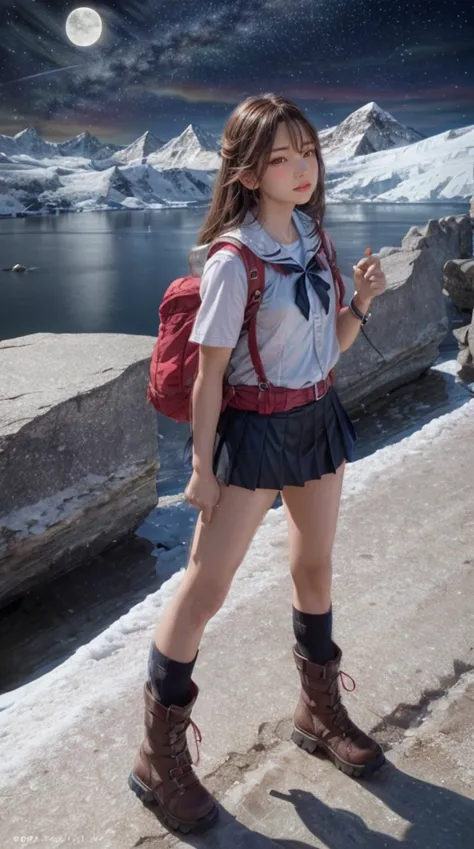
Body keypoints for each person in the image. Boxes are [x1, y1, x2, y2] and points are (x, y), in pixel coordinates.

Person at [129, 93, 387, 834]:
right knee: (204, 588)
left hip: (316, 418)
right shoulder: (232, 259)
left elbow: (326, 350)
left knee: (316, 567)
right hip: (253, 432)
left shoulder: (312, 235)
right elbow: (211, 377)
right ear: (247, 170)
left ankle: (317, 708)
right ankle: (157, 755)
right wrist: (202, 465)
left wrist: (361, 302)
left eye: (307, 150)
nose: (301, 167)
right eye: (280, 156)